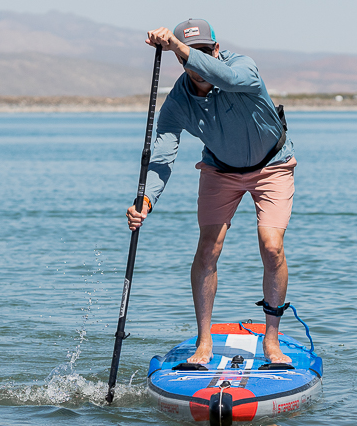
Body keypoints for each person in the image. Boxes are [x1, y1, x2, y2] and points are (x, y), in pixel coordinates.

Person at [126, 19, 296, 367]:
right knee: (208, 249)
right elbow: (161, 158)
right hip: (220, 170)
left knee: (271, 245)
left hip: (272, 165)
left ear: (216, 50)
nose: (198, 60)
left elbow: (228, 79)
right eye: (191, 53)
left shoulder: (242, 68)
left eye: (205, 51)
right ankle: (204, 344)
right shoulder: (177, 103)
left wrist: (179, 47)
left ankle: (272, 342)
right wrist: (145, 201)